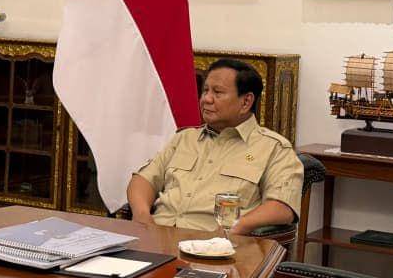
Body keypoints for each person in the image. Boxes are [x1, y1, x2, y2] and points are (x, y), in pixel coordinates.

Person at [127, 59, 303, 234]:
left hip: (217, 248)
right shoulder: (184, 138)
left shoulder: (274, 148)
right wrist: (142, 215)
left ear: (246, 102)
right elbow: (144, 180)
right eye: (205, 91)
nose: (206, 99)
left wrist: (240, 226)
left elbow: (282, 207)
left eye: (217, 93)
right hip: (158, 239)